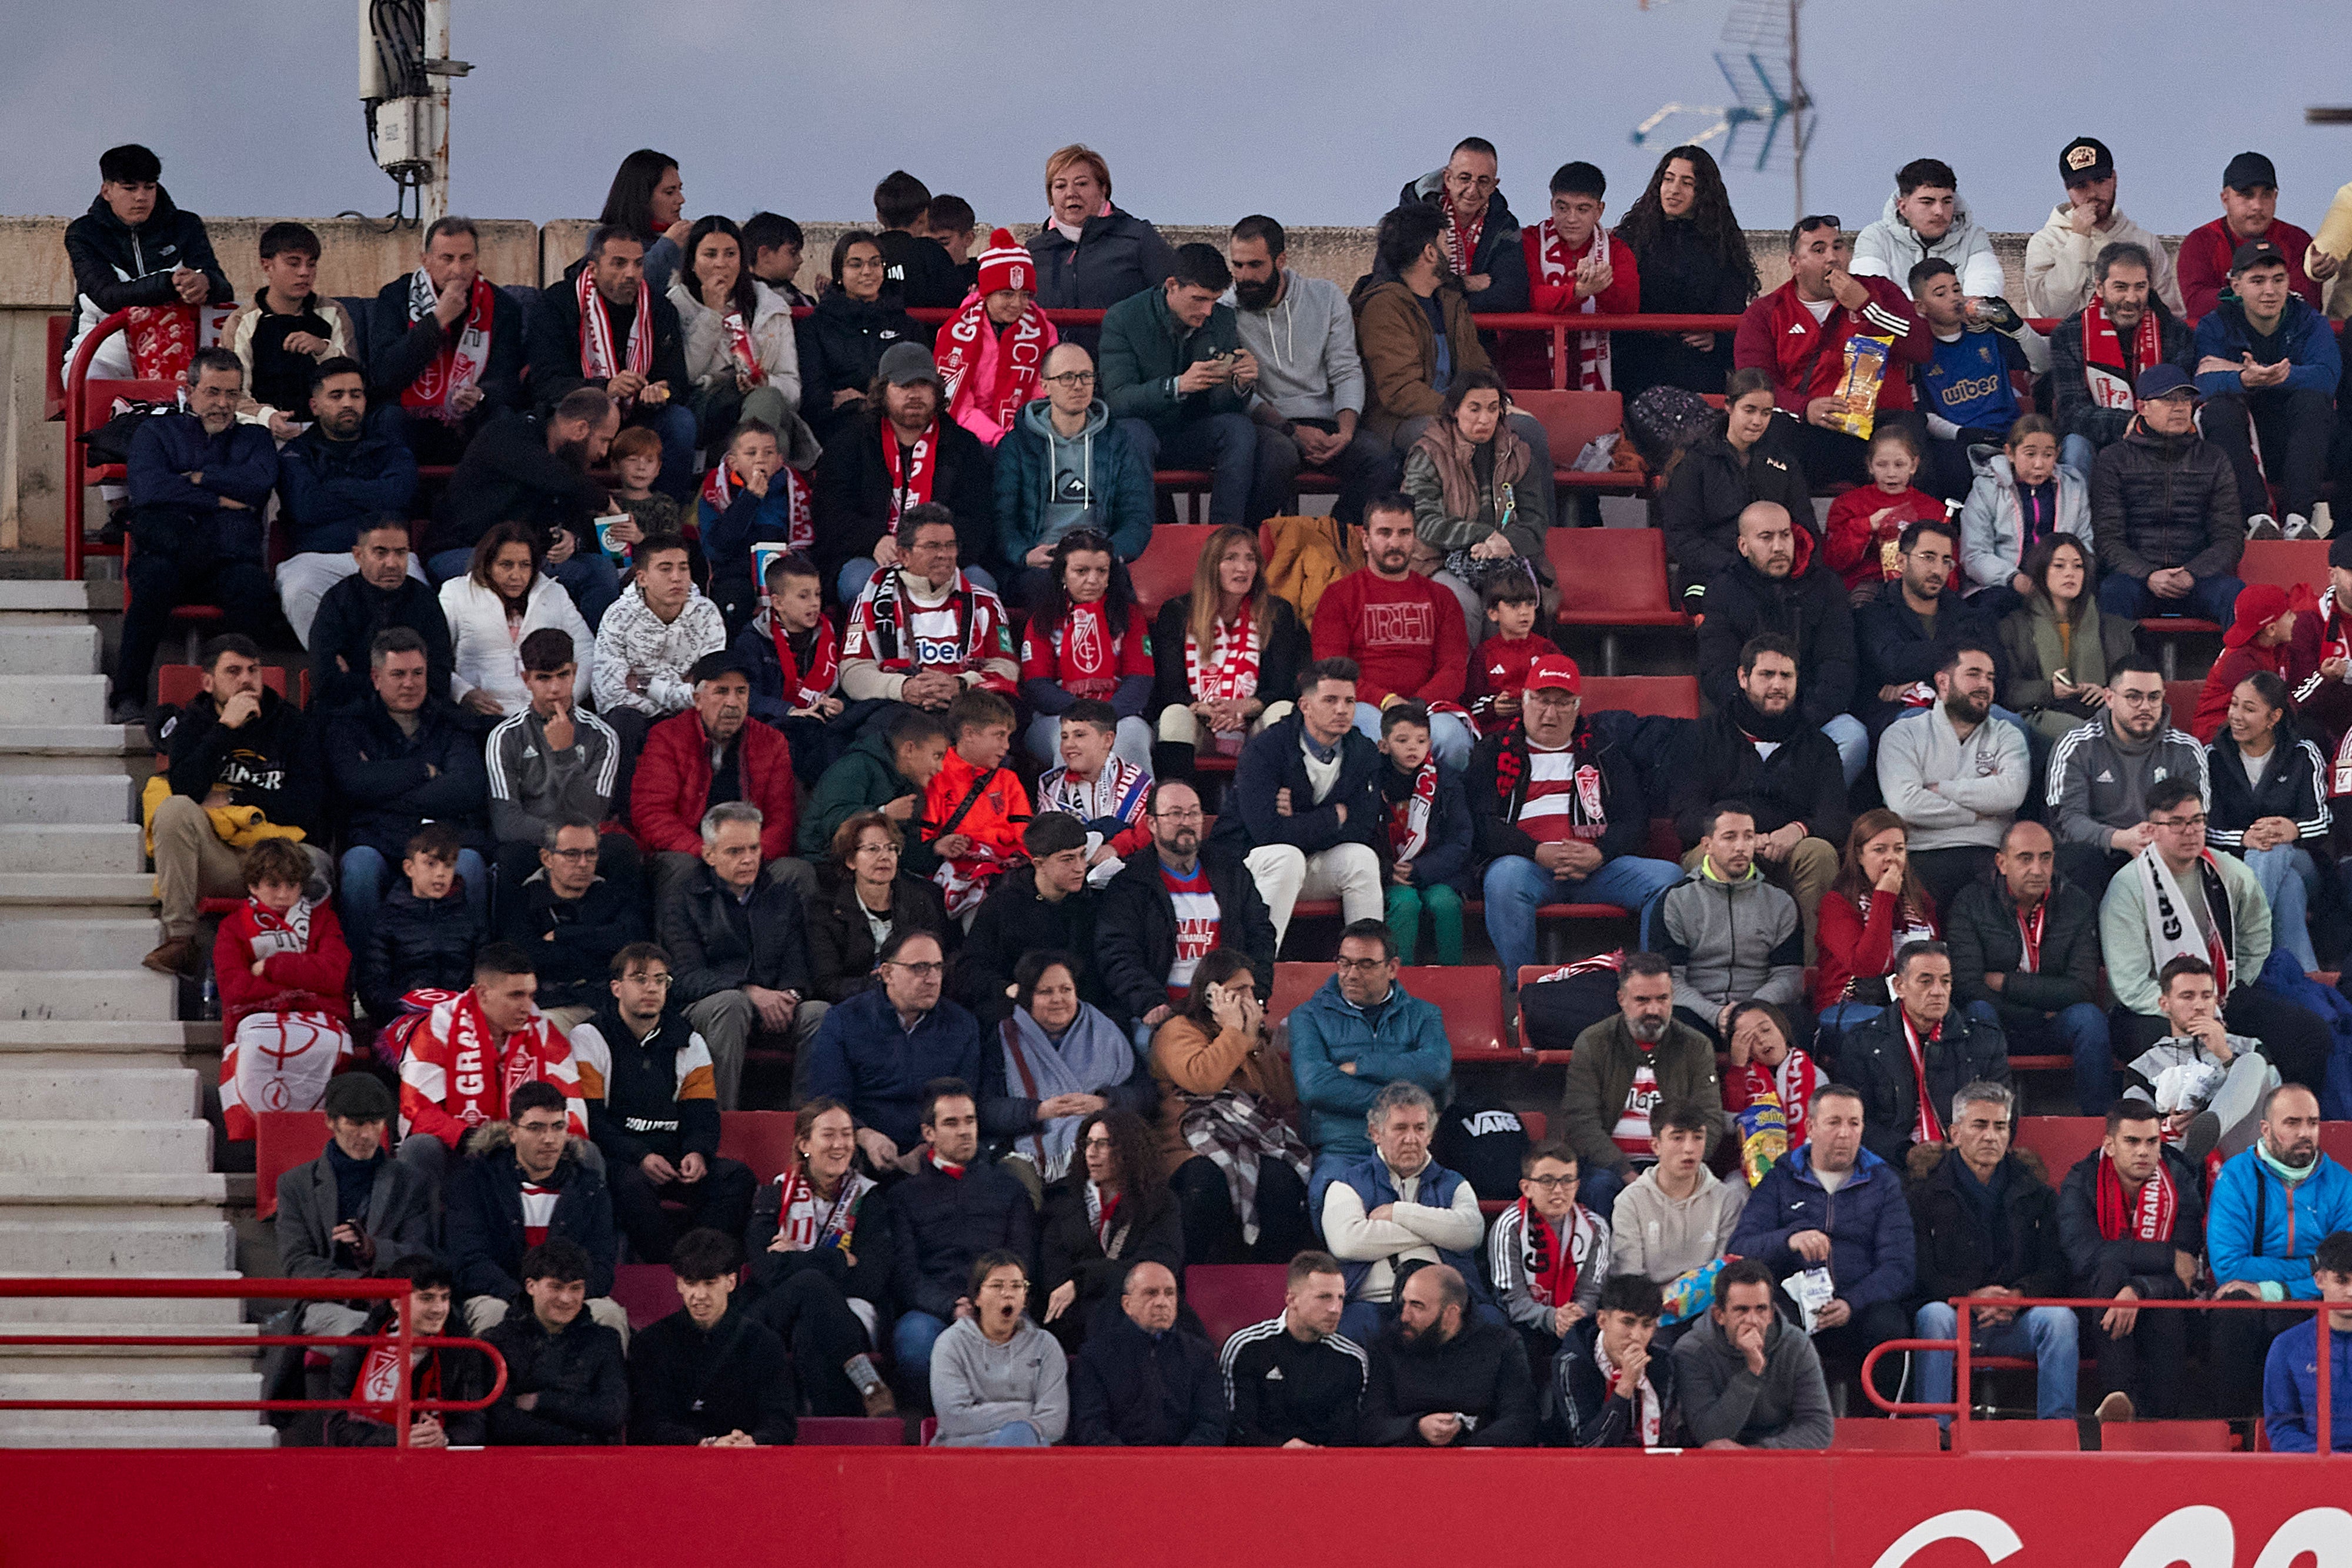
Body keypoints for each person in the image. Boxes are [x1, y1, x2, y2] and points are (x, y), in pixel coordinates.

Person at [2099, 776, 2331, 1086]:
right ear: (2153, 830)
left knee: (2309, 1033)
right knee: (2174, 1049)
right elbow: (2130, 983)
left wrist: (2229, 989)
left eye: (2197, 821)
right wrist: (2190, 1010)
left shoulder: (2228, 871)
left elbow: (2256, 932)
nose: (2191, 831)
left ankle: (2284, 1118)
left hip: (2222, 996)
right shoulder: (2128, 887)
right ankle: (2176, 1129)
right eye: (2177, 823)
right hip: (2152, 1009)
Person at [1468, 654, 1683, 984]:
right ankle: (1524, 987)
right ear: (1524, 701)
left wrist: (1600, 853)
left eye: (1562, 703)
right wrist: (1536, 851)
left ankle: (1650, 985)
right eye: (1541, 701)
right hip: (1531, 867)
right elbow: (1481, 824)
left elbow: (1634, 819)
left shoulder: (1602, 751)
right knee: (1503, 878)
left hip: (1598, 868)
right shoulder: (1494, 751)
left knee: (1669, 877)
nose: (1550, 713)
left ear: (1578, 706)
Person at [140, 635, 326, 976]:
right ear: (209, 682)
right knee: (174, 810)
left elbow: (309, 805)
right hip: (221, 860)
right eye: (233, 671)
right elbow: (186, 789)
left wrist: (235, 799)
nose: (246, 680)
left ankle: (312, 967)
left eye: (253, 670)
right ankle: (181, 941)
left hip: (278, 859)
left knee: (319, 865)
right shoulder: (193, 723)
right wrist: (225, 729)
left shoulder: (293, 724)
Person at [1352, 202, 1556, 503]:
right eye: (1447, 242)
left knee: (1528, 431)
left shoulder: (1449, 301)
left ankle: (1536, 540)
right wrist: (1467, 413)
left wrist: (1496, 404)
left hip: (1459, 412)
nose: (1453, 252)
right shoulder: (1384, 306)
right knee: (1457, 441)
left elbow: (1479, 366)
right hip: (1402, 422)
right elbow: (1401, 392)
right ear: (1430, 253)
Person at [569, 942, 756, 1262]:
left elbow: (703, 1114)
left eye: (660, 980)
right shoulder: (589, 1037)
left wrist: (697, 1152)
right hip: (623, 1158)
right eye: (640, 979)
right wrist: (640, 1155)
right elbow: (592, 1120)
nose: (651, 988)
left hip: (674, 1157)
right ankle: (671, 1266)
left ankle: (701, 1262)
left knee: (736, 1177)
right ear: (616, 988)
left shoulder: (689, 1040)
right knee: (628, 1184)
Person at [1906, 1079, 2079, 1425]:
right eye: (1980, 1125)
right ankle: (1933, 1430)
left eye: (2000, 1126)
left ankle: (2057, 1430)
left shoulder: (2037, 1193)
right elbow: (1917, 1270)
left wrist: (2018, 1296)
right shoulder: (1922, 1195)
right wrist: (1968, 1297)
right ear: (1955, 1133)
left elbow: (2055, 1266)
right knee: (1932, 1316)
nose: (1991, 1136)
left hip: (2015, 1318)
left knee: (2061, 1320)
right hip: (1956, 1315)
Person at [116, 349, 277, 716]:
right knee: (152, 582)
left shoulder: (255, 438)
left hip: (229, 559)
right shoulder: (156, 433)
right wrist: (221, 500)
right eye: (213, 392)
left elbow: (258, 484)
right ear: (189, 391)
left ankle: (245, 700)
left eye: (232, 394)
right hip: (169, 553)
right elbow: (150, 491)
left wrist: (198, 478)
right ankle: (128, 696)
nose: (222, 403)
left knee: (252, 589)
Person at [1672, 634, 1846, 957]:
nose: (1777, 685)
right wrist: (1741, 838)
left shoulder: (1819, 746)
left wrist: (1798, 831)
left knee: (1820, 853)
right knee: (1705, 857)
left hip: (1789, 852)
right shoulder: (1702, 737)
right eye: (1766, 675)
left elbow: (1835, 819)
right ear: (1743, 677)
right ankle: (1714, 974)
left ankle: (1811, 976)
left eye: (1786, 676)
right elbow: (1686, 817)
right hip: (1724, 847)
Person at [1732, 1084, 1916, 1386]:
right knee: (1768, 1320)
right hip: (1794, 1305)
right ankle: (1779, 1422)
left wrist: (1852, 1303)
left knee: (1890, 1324)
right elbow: (1740, 1249)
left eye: (1854, 1124)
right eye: (1834, 1123)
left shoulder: (1885, 1183)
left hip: (1860, 1307)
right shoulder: (1780, 1178)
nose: (1845, 1133)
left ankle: (1888, 1424)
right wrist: (1789, 1239)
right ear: (1811, 1127)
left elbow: (1900, 1267)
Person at [325, 628, 489, 959]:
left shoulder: (451, 723)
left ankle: (473, 978)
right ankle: (362, 978)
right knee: (358, 867)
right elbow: (352, 784)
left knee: (470, 864)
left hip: (443, 839)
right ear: (375, 677)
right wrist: (423, 771)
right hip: (377, 841)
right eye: (398, 674)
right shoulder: (349, 724)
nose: (410, 684)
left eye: (418, 673)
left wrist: (381, 790)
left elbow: (466, 789)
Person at [1733, 215, 1930, 489]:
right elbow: (1755, 382)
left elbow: (1921, 347)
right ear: (1795, 264)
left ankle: (1905, 528)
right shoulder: (1766, 312)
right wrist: (1805, 409)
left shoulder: (1880, 291)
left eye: (1838, 247)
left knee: (1908, 438)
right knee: (1771, 438)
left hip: (1878, 425)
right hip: (1808, 427)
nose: (1833, 257)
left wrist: (1866, 306)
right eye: (1819, 249)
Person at [1227, 213, 1393, 527]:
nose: (1244, 276)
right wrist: (1292, 432)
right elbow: (1239, 391)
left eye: (1255, 265)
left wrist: (1345, 432)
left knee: (1379, 457)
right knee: (1278, 458)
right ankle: (1247, 548)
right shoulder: (1225, 310)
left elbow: (1346, 369)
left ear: (1281, 260)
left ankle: (1332, 541)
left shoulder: (1325, 296)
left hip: (1326, 421)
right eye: (1237, 265)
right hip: (1271, 425)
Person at [1206, 658, 1386, 946]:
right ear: (1305, 706)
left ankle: (1367, 970)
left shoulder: (1363, 751)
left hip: (1308, 861)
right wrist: (1332, 818)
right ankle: (1256, 971)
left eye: (1349, 701)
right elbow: (1267, 833)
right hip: (1246, 863)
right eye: (1330, 700)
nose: (1342, 710)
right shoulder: (1267, 749)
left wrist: (1297, 821)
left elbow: (1362, 828)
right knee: (1286, 857)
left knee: (1361, 858)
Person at [1149, 949, 1311, 1266]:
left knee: (1281, 1179)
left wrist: (1252, 1044)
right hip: (1189, 1140)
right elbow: (1203, 1079)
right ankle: (1186, 1277)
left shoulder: (1250, 1035)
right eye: (1239, 990)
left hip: (1251, 1136)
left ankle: (1269, 1278)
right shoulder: (1178, 1029)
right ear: (1212, 994)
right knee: (1206, 1180)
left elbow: (1284, 1093)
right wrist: (1233, 1033)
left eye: (1252, 990)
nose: (1249, 998)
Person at [659, 801, 823, 1109]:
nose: (749, 859)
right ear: (709, 855)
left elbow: (798, 964)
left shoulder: (781, 896)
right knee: (731, 1005)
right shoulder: (683, 900)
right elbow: (684, 978)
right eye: (735, 852)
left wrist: (789, 995)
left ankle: (807, 1122)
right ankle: (721, 1121)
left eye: (754, 849)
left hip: (771, 1004)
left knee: (819, 1013)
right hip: (711, 1006)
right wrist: (748, 991)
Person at [744, 1097, 898, 1418]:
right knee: (811, 1284)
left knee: (811, 1326)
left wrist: (796, 1259)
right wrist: (840, 1261)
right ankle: (865, 1392)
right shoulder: (774, 1194)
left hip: (850, 1312)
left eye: (847, 1135)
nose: (840, 1144)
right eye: (829, 1135)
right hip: (777, 1309)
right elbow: (766, 1270)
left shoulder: (870, 1200)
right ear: (804, 1144)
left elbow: (871, 1280)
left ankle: (817, 1431)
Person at [2056, 1097, 2206, 1423]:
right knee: (2109, 1272)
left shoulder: (2180, 1180)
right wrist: (2163, 1255)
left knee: (2160, 1307)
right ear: (2109, 1145)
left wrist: (2138, 1290)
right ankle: (2123, 1399)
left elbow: (2186, 1271)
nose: (2143, 1151)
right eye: (2132, 1141)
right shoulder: (2081, 1180)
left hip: (2162, 1301)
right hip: (2092, 1305)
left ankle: (2140, 1411)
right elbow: (2084, 1257)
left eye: (2152, 1142)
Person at [1098, 243, 1268, 530]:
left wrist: (1239, 383)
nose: (1208, 311)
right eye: (1199, 299)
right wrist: (1177, 386)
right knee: (1133, 433)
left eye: (1215, 300)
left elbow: (1222, 406)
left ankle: (1223, 540)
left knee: (1239, 429)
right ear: (1172, 286)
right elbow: (1118, 401)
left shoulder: (1222, 319)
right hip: (1143, 432)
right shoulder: (1124, 318)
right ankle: (1141, 543)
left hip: (1191, 433)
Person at [818, 343, 1003, 606]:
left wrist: (937, 551)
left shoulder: (964, 445)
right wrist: (873, 540)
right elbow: (831, 513)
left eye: (923, 385)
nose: (915, 394)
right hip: (871, 556)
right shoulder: (850, 442)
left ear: (937, 391)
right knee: (860, 584)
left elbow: (978, 519)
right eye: (904, 386)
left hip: (946, 559)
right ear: (883, 392)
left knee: (982, 587)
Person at [1947, 820, 2111, 1116]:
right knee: (1978, 1013)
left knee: (2090, 1019)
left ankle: (2099, 1124)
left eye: (2045, 857)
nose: (2037, 869)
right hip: (1999, 1021)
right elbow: (1968, 986)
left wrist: (2006, 983)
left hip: (2055, 1023)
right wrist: (2036, 1009)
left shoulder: (2076, 903)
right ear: (2002, 862)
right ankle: (1987, 1121)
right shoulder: (1971, 903)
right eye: (2025, 858)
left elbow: (2082, 987)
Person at [2208, 1084, 2352, 1419]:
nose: (2306, 1133)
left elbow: (2345, 1267)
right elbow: (2229, 1268)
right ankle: (2234, 1433)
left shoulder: (2343, 1183)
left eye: (2313, 1123)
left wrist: (2274, 1289)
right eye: (2293, 1123)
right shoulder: (2235, 1177)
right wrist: (2314, 1266)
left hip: (2316, 1300)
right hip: (2261, 1302)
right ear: (2266, 1130)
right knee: (2231, 1311)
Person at [1696, 500, 1866, 780]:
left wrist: (1806, 715)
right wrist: (1756, 716)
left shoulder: (1825, 585)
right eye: (1766, 537)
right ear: (1743, 546)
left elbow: (1839, 663)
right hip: (1748, 717)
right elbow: (1717, 670)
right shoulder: (1722, 591)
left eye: (1785, 535)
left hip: (1812, 715)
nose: (1778, 547)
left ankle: (1801, 816)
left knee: (1853, 737)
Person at [272, 1072, 435, 1366]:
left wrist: (373, 1250)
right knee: (368, 1337)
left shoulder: (410, 1182)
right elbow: (298, 1263)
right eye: (356, 1123)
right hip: (327, 1305)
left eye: (375, 1123)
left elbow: (421, 1252)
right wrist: (361, 1285)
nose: (366, 1135)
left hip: (394, 1306)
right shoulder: (295, 1184)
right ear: (331, 1122)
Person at [394, 944, 587, 1190]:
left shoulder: (545, 1033)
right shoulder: (437, 1030)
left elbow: (571, 1105)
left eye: (531, 996)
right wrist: (471, 1138)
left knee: (586, 1153)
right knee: (419, 1148)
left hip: (527, 1153)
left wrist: (534, 1139)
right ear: (483, 994)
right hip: (459, 1150)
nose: (527, 1007)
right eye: (516, 995)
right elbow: (418, 1108)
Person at [886, 1081, 1037, 1389]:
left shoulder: (1009, 1189)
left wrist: (991, 1303)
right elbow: (905, 1274)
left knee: (1035, 1350)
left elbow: (1023, 1259)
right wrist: (951, 1306)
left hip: (1000, 1303)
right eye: (951, 1123)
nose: (965, 1131)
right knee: (915, 1343)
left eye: (970, 1121)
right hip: (934, 1312)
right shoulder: (904, 1196)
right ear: (929, 1133)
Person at [429, 389, 623, 627]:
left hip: (528, 558)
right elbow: (554, 477)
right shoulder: (508, 434)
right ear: (581, 429)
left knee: (599, 569)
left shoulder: (568, 464)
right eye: (604, 440)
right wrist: (607, 503)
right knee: (514, 571)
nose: (603, 453)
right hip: (463, 550)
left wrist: (572, 539)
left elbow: (574, 510)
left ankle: (599, 655)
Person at [527, 224, 694, 500]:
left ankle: (666, 514)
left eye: (638, 264)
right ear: (592, 269)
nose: (631, 273)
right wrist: (605, 388)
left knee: (681, 422)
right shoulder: (558, 303)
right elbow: (546, 383)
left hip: (638, 415)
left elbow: (677, 384)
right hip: (581, 415)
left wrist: (659, 392)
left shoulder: (660, 308)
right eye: (619, 264)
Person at [445, 1081, 623, 1336]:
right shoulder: (476, 1182)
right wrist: (524, 1298)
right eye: (536, 1128)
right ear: (512, 1132)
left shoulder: (590, 1188)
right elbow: (469, 1260)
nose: (549, 1139)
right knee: (492, 1314)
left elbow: (602, 1263)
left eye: (558, 1127)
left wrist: (562, 1298)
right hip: (500, 1296)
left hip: (569, 1298)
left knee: (609, 1315)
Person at [1291, 922, 1454, 1199]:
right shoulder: (1308, 1016)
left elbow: (1436, 1068)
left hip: (1410, 1146)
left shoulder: (1424, 1014)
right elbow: (1314, 1085)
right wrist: (1400, 1106)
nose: (1351, 974)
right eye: (1345, 963)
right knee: (1329, 1197)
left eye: (1366, 965)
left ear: (1392, 968)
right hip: (1343, 1148)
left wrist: (1364, 1066)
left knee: (1442, 1207)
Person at [2194, 239, 2341, 541]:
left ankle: (2299, 519)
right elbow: (2201, 384)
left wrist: (2262, 375)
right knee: (2219, 409)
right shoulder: (2215, 325)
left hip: (2296, 442)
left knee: (2315, 402)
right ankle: (2256, 518)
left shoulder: (2309, 320)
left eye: (2278, 280)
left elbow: (2327, 377)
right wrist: (2245, 381)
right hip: (2241, 442)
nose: (2270, 291)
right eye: (2257, 281)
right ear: (2236, 286)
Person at [1321, 1082, 1489, 1343]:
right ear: (1375, 1132)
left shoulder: (1455, 1183)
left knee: (1492, 1323)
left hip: (1445, 1305)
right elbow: (1347, 1243)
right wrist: (1439, 1230)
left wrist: (1398, 1213)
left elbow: (1471, 1233)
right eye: (1400, 1128)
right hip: (1374, 1303)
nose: (1411, 1138)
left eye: (1420, 1128)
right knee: (1350, 1327)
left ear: (1430, 1135)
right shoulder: (1346, 1184)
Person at [1556, 954, 1721, 1216]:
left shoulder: (1696, 1046)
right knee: (1600, 1186)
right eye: (1642, 1000)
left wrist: (1672, 1170)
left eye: (1662, 999)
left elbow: (1710, 1119)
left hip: (1677, 1164)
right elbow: (1581, 1122)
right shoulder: (1593, 1042)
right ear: (1622, 999)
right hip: (1610, 1167)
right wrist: (1626, 1172)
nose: (1653, 1010)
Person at [804, 931, 982, 1170]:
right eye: (919, 968)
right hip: (861, 1151)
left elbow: (965, 1100)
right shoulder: (845, 1020)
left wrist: (923, 1150)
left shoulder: (962, 1025)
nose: (932, 979)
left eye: (938, 968)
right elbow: (828, 1099)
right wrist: (865, 1137)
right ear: (887, 973)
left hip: (936, 1150)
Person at [632, 654, 801, 902]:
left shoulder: (772, 742)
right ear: (697, 699)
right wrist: (709, 854)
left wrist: (748, 856)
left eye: (741, 692)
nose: (733, 703)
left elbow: (782, 818)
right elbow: (651, 813)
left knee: (797, 873)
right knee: (681, 868)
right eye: (721, 691)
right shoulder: (667, 737)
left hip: (752, 855)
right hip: (691, 853)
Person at [1876, 641, 2030, 912]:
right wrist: (1979, 811)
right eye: (1973, 674)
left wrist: (1941, 789)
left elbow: (2011, 794)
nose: (1984, 684)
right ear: (1943, 682)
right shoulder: (1903, 734)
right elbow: (1905, 805)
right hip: (1924, 855)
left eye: (1990, 678)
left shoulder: (2008, 735)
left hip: (1989, 855)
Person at [273, 363, 420, 646]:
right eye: (336, 395)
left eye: (356, 395)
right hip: (316, 557)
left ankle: (391, 675)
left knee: (416, 589)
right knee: (298, 589)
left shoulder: (391, 449)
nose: (348, 403)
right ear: (315, 406)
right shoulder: (296, 453)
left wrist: (334, 487)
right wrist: (370, 496)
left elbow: (397, 497)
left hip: (386, 552)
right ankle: (331, 668)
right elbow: (307, 506)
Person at [988, 953, 1154, 1202]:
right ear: (1028, 998)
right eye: (1045, 992)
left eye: (1066, 989)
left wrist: (1105, 1103)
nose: (1058, 999)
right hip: (1030, 1152)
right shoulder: (1005, 1039)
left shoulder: (1108, 1030)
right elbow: (987, 1109)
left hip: (1107, 1142)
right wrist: (1039, 1111)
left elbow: (1147, 1095)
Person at [992, 343, 1154, 596]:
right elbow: (1002, 518)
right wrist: (1024, 554)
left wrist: (1108, 555)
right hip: (1042, 561)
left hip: (1100, 557)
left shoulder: (1118, 442)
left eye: (1086, 376)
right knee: (1044, 590)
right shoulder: (1016, 444)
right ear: (1045, 385)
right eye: (1067, 377)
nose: (1078, 385)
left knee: (1119, 588)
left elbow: (1137, 517)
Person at [1148, 524, 1309, 777]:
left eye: (1251, 559)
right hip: (1199, 719)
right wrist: (1206, 709)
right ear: (1212, 566)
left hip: (1252, 720)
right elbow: (1168, 688)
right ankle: (1177, 803)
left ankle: (1277, 806)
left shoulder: (1277, 613)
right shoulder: (1178, 612)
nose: (1243, 568)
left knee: (1283, 712)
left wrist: (1244, 707)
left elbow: (1284, 687)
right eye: (1231, 558)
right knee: (1173, 716)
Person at [62, 142, 232, 380]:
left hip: (182, 352)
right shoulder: (84, 233)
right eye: (130, 189)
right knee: (91, 382)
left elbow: (224, 288)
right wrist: (169, 284)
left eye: (149, 187)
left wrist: (205, 283)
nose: (141, 197)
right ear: (107, 191)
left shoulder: (186, 225)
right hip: (104, 351)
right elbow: (107, 296)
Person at [1402, 370, 1551, 639]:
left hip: (1501, 558)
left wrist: (1505, 543)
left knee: (1510, 606)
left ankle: (1506, 679)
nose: (1485, 419)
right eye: (1474, 409)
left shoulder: (1517, 455)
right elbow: (1423, 523)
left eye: (1493, 409)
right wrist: (1485, 536)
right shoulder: (1429, 454)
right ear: (1455, 411)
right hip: (1436, 562)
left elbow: (1536, 520)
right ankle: (1464, 680)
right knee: (1466, 606)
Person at [2092, 365, 2246, 624]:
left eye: (2186, 399)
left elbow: (2229, 538)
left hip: (2198, 577)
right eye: (2168, 399)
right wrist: (2148, 574)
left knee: (2237, 596)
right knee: (2111, 593)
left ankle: (2239, 666)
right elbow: (2107, 539)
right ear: (2142, 408)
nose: (2180, 407)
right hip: (2137, 578)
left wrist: (2192, 573)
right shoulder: (2113, 459)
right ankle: (2120, 666)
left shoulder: (2214, 458)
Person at [368, 215, 526, 463]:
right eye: (447, 259)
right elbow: (385, 374)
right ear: (426, 260)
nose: (458, 270)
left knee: (505, 419)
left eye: (466, 259)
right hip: (409, 413)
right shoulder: (395, 296)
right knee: (388, 419)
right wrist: (437, 320)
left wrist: (481, 395)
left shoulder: (502, 306)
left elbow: (507, 378)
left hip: (472, 417)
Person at [2045, 655, 2206, 894]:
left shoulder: (2186, 750)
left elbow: (2198, 820)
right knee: (2081, 858)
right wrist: (2119, 838)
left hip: (2164, 852)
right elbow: (2065, 822)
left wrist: (2157, 838)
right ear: (2109, 698)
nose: (2145, 706)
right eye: (2133, 697)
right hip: (2100, 855)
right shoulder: (2076, 745)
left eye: (2154, 698)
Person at [1840, 941, 2011, 1165]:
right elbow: (1855, 1119)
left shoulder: (1984, 1039)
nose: (1938, 991)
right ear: (1899, 986)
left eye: (1946, 981)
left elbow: (2003, 1112)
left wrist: (1964, 1150)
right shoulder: (1863, 1041)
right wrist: (1905, 1153)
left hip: (1966, 1160)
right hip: (1892, 1162)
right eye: (1926, 981)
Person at [2207, 671, 2331, 974]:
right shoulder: (2213, 757)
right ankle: (2306, 982)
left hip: (2301, 859)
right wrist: (2243, 839)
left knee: (2273, 849)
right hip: (2233, 866)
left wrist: (2293, 829)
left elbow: (2324, 819)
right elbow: (2206, 829)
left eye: (2249, 709)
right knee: (2288, 888)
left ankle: (2242, 939)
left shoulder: (2303, 753)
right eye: (2234, 705)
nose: (2236, 716)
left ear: (2274, 716)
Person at [1613, 143, 1759, 399]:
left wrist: (1717, 338)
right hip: (1635, 368)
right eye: (1668, 180)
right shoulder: (1631, 237)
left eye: (1687, 183)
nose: (1674, 190)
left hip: (1696, 371)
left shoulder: (1723, 243)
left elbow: (1735, 314)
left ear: (1703, 192)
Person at [837, 503, 1017, 710]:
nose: (944, 554)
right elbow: (853, 673)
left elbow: (1006, 667)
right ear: (904, 555)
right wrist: (903, 687)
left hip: (966, 709)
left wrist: (962, 684)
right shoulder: (870, 601)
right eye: (932, 546)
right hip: (898, 710)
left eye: (950, 545)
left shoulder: (985, 602)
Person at [626, 1228, 796, 1447]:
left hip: (745, 1464)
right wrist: (703, 1444)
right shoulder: (650, 1343)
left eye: (710, 1283)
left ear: (731, 1282)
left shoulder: (763, 1343)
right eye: (691, 1283)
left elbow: (781, 1421)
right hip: (675, 1467)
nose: (700, 1295)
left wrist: (753, 1441)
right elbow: (646, 1424)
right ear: (679, 1284)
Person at [485, 630, 627, 890]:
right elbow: (507, 824)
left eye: (563, 675)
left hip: (587, 844)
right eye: (543, 678)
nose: (555, 689)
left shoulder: (603, 736)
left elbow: (593, 814)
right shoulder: (504, 737)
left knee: (622, 851)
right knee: (511, 857)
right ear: (526, 679)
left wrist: (564, 754)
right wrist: (564, 843)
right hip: (533, 844)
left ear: (574, 672)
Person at [1665, 372, 1817, 612]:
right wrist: (1737, 566)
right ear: (1729, 406)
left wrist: (1784, 565)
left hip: (1772, 570)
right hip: (1709, 574)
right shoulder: (1696, 462)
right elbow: (1682, 536)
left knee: (1828, 594)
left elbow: (1806, 528)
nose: (1758, 421)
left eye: (1766, 413)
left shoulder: (1783, 462)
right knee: (1736, 605)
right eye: (1750, 410)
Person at [1657, 803, 1806, 1045]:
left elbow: (1789, 975)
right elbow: (1669, 978)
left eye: (1749, 837)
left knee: (1798, 1023)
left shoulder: (1780, 901)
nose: (1741, 847)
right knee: (1668, 1026)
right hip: (1699, 1012)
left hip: (1760, 1007)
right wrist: (1714, 1014)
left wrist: (1751, 1010)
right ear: (1707, 846)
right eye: (1729, 837)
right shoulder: (1676, 900)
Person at [592, 534, 727, 799]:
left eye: (683, 567)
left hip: (687, 716)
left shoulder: (707, 613)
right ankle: (624, 814)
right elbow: (608, 694)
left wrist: (646, 684)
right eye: (665, 569)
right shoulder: (618, 616)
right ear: (642, 577)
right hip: (636, 718)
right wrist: (680, 690)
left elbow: (712, 691)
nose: (677, 577)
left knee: (718, 719)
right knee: (622, 720)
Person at [1038, 1108, 1181, 1351]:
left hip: (1140, 1316)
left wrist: (1081, 1282)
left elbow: (1159, 1264)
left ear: (1130, 1150)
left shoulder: (1160, 1202)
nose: (1092, 1153)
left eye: (1104, 1144)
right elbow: (1052, 1274)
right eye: (1088, 1143)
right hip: (1075, 1322)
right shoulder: (1061, 1199)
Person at [2049, 242, 2197, 478]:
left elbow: (2181, 398)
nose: (2131, 298)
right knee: (2075, 446)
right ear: (2099, 287)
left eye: (2140, 287)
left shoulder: (2174, 332)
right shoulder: (2068, 335)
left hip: (2161, 436)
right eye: (2121, 287)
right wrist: (2131, 422)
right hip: (2097, 437)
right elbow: (2072, 413)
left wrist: (2148, 424)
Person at [1909, 263, 2049, 507]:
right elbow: (1922, 413)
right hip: (1960, 443)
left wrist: (2016, 326)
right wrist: (1960, 433)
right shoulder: (1919, 351)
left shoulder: (1986, 334)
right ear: (1921, 306)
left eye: (1957, 290)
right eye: (1941, 294)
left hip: (2010, 435)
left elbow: (2044, 364)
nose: (1954, 299)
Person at [1496, 160, 1641, 392]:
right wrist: (1578, 291)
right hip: (1525, 375)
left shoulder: (1617, 251)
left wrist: (1602, 286)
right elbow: (1529, 296)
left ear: (1599, 210)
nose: (1571, 218)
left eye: (1582, 209)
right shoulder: (1528, 241)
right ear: (1552, 205)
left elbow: (1630, 305)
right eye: (1562, 208)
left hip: (1594, 379)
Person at [2121, 956, 2280, 1165]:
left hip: (2242, 1156)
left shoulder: (2250, 1047)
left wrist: (2225, 1056)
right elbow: (2133, 1131)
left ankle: (2209, 1130)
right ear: (2164, 1004)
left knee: (2253, 1062)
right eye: (2187, 996)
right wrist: (2167, 1126)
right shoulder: (2144, 1067)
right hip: (2180, 1160)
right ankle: (2198, 1145)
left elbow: (2279, 1107)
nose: (2199, 1005)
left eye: (2207, 996)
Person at [1855, 519, 2007, 737]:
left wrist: (1919, 683)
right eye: (1928, 558)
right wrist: (1964, 659)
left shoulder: (1965, 613)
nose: (1938, 569)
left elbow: (1997, 670)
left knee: (2012, 724)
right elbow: (1896, 664)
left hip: (1964, 708)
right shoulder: (1875, 612)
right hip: (1903, 715)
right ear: (1901, 561)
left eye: (1946, 561)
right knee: (1923, 727)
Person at [954, 818, 1110, 1028]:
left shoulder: (1093, 905)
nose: (1080, 868)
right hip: (1017, 1014)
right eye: (1067, 860)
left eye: (1082, 855)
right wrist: (1007, 989)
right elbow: (971, 969)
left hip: (1081, 1017)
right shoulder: (1002, 906)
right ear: (1039, 864)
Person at [322, 1259, 493, 1448]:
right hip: (374, 1466)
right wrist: (398, 1439)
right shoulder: (358, 1347)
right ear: (397, 1303)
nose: (439, 1309)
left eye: (444, 1298)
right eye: (427, 1298)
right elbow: (337, 1428)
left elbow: (475, 1425)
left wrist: (444, 1438)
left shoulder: (461, 1349)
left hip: (438, 1464)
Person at [670, 214, 803, 455]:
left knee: (768, 400)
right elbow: (684, 376)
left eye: (730, 254)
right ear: (692, 262)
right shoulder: (675, 305)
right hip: (705, 411)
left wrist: (765, 381)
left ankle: (738, 475)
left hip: (762, 410)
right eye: (710, 255)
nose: (721, 264)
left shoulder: (770, 307)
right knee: (777, 442)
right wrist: (712, 314)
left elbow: (793, 390)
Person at [1018, 534, 1154, 769]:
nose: (1093, 580)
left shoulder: (1129, 616)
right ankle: (1069, 807)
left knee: (1130, 738)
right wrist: (1083, 715)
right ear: (1063, 574)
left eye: (1102, 571)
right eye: (1081, 571)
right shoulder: (1043, 619)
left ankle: (1136, 806)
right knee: (1073, 742)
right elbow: (1037, 686)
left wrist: (1104, 717)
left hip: (1120, 716)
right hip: (1056, 718)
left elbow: (1140, 681)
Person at [495, 817, 643, 1030]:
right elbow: (524, 958)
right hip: (551, 1005)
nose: (583, 864)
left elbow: (629, 942)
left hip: (609, 1003)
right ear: (547, 858)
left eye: (590, 854)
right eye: (572, 854)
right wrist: (597, 946)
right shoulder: (523, 899)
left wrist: (564, 935)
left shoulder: (613, 894)